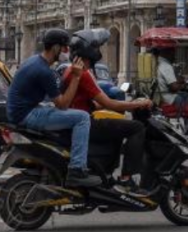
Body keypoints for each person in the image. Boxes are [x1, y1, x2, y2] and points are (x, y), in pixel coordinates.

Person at [7, 29, 101, 188]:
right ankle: (76, 169)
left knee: (54, 108)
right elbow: (63, 104)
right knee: (82, 118)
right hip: (26, 115)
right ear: (56, 48)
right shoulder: (44, 71)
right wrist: (77, 77)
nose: (67, 52)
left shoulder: (35, 61)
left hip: (22, 111)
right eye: (65, 48)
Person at [61, 46, 153, 193]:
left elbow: (88, 101)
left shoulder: (69, 71)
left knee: (117, 126)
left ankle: (107, 173)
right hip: (84, 122)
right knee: (136, 127)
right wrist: (138, 104)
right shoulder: (83, 74)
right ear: (87, 58)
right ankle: (126, 178)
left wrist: (116, 106)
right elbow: (108, 103)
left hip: (76, 119)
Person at [154, 47, 188, 137]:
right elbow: (174, 87)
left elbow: (168, 82)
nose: (174, 56)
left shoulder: (157, 63)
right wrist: (182, 85)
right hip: (170, 98)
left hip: (162, 96)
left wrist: (179, 81)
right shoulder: (165, 66)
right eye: (173, 53)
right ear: (167, 53)